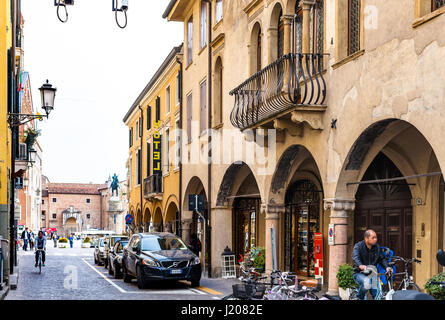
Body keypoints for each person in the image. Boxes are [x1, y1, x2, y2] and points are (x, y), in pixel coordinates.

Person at [352, 229, 392, 300]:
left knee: (377, 296)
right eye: (373, 238)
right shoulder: (358, 246)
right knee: (366, 281)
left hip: (372, 274)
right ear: (366, 238)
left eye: (376, 237)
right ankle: (358, 297)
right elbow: (355, 257)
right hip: (359, 273)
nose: (375, 239)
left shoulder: (377, 247)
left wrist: (387, 267)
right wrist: (360, 265)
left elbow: (382, 259)